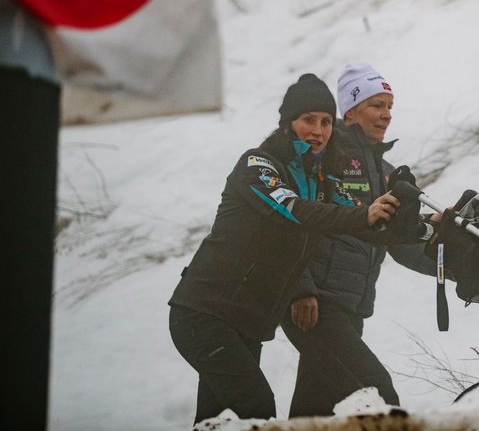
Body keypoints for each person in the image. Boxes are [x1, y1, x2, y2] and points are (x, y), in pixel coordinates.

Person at [168, 73, 404, 424]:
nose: (318, 130)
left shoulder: (321, 182)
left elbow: (357, 221)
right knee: (256, 408)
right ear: (287, 124)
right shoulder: (258, 165)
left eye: (326, 121)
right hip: (204, 315)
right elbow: (292, 209)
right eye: (308, 119)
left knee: (220, 420)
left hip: (247, 324)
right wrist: (362, 215)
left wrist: (417, 222)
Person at [279, 63, 438, 418]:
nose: (386, 116)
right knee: (377, 393)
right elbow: (291, 220)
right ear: (349, 111)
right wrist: (300, 288)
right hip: (317, 304)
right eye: (376, 105)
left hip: (350, 308)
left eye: (390, 107)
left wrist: (447, 254)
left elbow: (398, 243)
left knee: (313, 413)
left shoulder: (383, 171)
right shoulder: (325, 156)